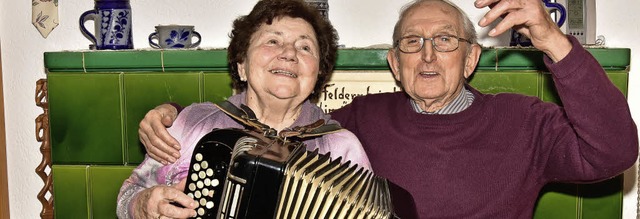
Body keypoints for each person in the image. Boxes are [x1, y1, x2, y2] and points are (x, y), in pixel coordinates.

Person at [139, 0, 639, 218]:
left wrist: (552, 39)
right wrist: (172, 114)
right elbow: (274, 113)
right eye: (411, 43)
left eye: (444, 40)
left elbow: (614, 152)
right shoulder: (357, 123)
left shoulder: (526, 121)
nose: (426, 55)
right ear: (393, 64)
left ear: (470, 59)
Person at [116, 0, 373, 218]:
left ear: (318, 75)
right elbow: (128, 195)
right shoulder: (193, 123)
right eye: (273, 41)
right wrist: (143, 204)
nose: (288, 54)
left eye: (305, 47)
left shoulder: (341, 148)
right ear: (242, 64)